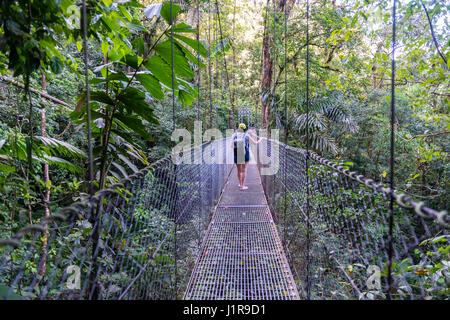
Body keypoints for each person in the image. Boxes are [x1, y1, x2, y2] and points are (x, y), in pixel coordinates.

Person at [230, 123, 261, 190]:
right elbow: (255, 143)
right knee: (244, 170)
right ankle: (242, 186)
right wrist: (260, 140)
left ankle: (240, 184)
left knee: (239, 170)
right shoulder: (247, 135)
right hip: (245, 153)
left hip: (237, 153)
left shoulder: (234, 135)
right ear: (245, 129)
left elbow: (231, 146)